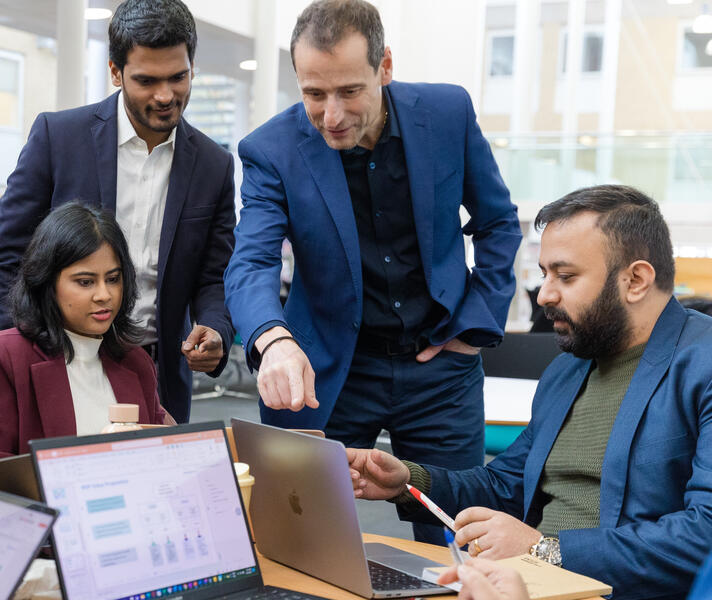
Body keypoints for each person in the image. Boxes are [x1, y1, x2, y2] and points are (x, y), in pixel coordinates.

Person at [222, 0, 521, 544]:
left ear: (384, 67)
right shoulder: (270, 149)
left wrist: (473, 326)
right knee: (295, 536)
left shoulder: (448, 113)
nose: (331, 115)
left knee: (459, 540)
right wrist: (273, 340)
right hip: (327, 369)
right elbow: (253, 259)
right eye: (314, 94)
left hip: (440, 369)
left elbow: (498, 224)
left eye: (349, 91)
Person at [348, 185, 712, 598]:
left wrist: (543, 551)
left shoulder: (702, 365)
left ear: (636, 280)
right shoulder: (568, 371)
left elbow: (706, 534)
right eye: (544, 274)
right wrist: (408, 482)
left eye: (566, 276)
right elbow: (507, 486)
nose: (545, 295)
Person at [0, 0, 236, 424]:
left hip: (158, 372)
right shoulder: (58, 138)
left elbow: (215, 274)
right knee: (49, 483)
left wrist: (215, 328)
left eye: (179, 77)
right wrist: (12, 358)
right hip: (55, 358)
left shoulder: (214, 164)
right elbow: (8, 257)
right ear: (116, 72)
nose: (165, 95)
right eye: (146, 80)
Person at [0, 203, 174, 473]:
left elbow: (158, 464)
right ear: (47, 282)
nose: (104, 295)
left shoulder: (135, 361)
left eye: (113, 279)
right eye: (85, 282)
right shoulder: (2, 357)